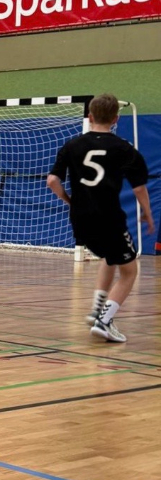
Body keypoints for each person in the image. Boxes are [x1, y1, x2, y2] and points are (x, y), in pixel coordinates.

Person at [47, 93, 154, 343]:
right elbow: (139, 188)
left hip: (80, 219)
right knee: (129, 271)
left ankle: (97, 309)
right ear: (116, 118)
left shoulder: (72, 145)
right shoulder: (124, 148)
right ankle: (104, 321)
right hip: (109, 218)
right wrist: (147, 213)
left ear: (90, 116)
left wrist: (70, 201)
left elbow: (52, 181)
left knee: (109, 257)